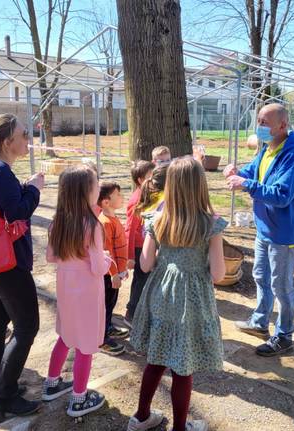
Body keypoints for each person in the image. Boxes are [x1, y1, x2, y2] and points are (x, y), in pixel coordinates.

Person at [127, 158, 227, 431]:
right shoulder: (211, 224)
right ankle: (180, 428)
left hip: (161, 294)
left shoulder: (157, 217)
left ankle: (141, 416)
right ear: (200, 186)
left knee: (156, 359)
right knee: (183, 367)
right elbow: (218, 274)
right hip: (192, 300)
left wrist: (168, 258)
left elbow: (145, 264)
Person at [0, 113, 45, 421]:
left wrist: (23, 188)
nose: (27, 140)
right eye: (23, 135)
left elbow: (9, 207)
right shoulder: (0, 170)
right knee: (27, 327)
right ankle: (4, 394)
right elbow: (17, 213)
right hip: (6, 263)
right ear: (7, 142)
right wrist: (34, 188)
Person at [224, 103, 294, 357]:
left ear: (282, 125)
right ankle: (260, 322)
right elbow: (254, 172)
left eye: (264, 122)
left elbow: (282, 195)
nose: (259, 127)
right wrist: (238, 172)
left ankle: (284, 336)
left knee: (282, 286)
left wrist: (246, 184)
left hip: (284, 233)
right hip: (265, 228)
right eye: (258, 121)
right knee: (261, 276)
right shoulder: (269, 147)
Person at [42, 165, 110, 417]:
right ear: (85, 192)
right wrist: (107, 259)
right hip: (87, 293)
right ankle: (79, 399)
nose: (99, 187)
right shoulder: (92, 224)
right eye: (95, 184)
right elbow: (97, 268)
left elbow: (51, 256)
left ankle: (51, 383)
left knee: (66, 336)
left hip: (66, 289)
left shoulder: (57, 221)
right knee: (85, 345)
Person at [98, 181, 129, 355]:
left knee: (111, 303)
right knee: (105, 305)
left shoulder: (113, 218)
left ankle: (108, 327)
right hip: (108, 275)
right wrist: (114, 274)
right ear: (106, 202)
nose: (122, 197)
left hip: (116, 273)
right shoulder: (104, 223)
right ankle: (101, 339)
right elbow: (106, 252)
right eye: (118, 194)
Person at [124, 160, 155, 328]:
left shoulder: (150, 195)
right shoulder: (136, 200)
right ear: (140, 180)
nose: (155, 179)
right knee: (140, 280)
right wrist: (129, 256)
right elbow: (129, 229)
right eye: (151, 176)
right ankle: (131, 313)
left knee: (147, 279)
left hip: (147, 245)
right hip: (138, 248)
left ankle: (141, 311)